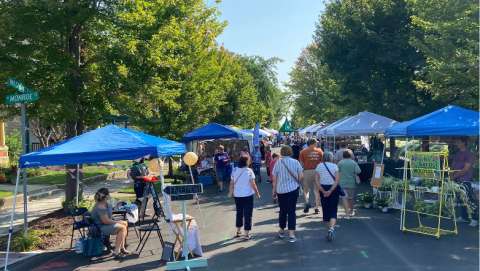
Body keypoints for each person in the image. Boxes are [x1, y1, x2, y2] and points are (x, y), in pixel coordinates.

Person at [272, 145, 304, 242]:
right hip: (293, 190)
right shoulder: (296, 162)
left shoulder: (278, 163)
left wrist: (274, 191)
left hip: (281, 190)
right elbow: (301, 177)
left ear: (281, 152)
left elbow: (274, 179)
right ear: (290, 152)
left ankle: (281, 231)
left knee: (282, 211)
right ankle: (291, 234)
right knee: (291, 211)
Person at [90, 188, 130, 258]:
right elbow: (106, 221)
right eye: (109, 194)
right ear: (106, 196)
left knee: (125, 223)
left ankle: (122, 248)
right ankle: (116, 252)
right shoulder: (100, 206)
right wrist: (118, 222)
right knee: (122, 228)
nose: (110, 195)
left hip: (106, 224)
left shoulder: (106, 204)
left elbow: (110, 214)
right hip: (100, 227)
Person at [228, 156, 261, 239]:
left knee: (239, 213)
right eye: (249, 160)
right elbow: (253, 184)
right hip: (248, 195)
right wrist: (257, 193)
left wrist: (230, 192)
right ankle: (246, 233)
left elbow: (231, 183)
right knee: (248, 214)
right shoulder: (249, 171)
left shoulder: (235, 170)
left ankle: (238, 231)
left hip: (237, 195)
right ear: (246, 162)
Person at [451, 138, 478, 226]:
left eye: (458, 141)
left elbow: (466, 169)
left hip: (465, 180)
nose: (456, 143)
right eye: (456, 141)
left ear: (464, 142)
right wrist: (451, 175)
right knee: (460, 198)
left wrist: (455, 176)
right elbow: (453, 165)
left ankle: (475, 219)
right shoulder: (457, 153)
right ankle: (464, 217)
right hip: (456, 180)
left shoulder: (469, 154)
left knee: (469, 199)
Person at [315, 152, 340, 241]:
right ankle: (332, 229)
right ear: (331, 157)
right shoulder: (335, 166)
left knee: (325, 208)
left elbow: (317, 180)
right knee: (333, 209)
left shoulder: (319, 166)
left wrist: (322, 190)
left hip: (323, 187)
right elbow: (337, 180)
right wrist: (330, 190)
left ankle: (329, 229)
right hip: (333, 188)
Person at [299, 138, 323, 214]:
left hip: (306, 171)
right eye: (316, 142)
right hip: (317, 171)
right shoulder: (319, 151)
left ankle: (307, 202)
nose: (317, 144)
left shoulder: (303, 151)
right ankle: (316, 208)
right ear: (313, 143)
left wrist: (302, 171)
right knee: (316, 190)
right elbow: (322, 162)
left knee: (306, 189)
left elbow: (301, 163)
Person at [337, 150, 361, 216]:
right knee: (351, 198)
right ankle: (351, 211)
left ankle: (346, 211)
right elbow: (358, 171)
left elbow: (336, 172)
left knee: (344, 198)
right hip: (351, 183)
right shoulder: (353, 163)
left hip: (342, 183)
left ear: (343, 155)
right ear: (350, 155)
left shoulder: (340, 163)